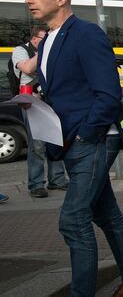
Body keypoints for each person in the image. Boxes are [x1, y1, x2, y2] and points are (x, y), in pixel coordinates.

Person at [26, 0, 123, 296]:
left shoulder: (87, 34)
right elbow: (66, 91)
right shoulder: (49, 40)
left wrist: (85, 135)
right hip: (69, 141)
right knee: (106, 214)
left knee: (73, 219)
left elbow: (107, 94)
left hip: (92, 140)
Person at [13, 25, 69, 198]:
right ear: (34, 39)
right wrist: (44, 51)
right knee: (37, 144)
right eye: (44, 39)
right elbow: (28, 69)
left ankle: (57, 179)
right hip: (32, 101)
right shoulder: (21, 51)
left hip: (51, 100)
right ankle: (36, 184)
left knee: (55, 140)